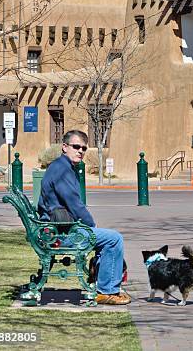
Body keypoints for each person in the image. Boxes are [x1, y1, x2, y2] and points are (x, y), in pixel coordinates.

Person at [37, 130, 131, 305]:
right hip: (60, 235)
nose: (80, 150)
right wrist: (91, 226)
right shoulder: (62, 170)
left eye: (83, 148)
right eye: (76, 146)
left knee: (108, 237)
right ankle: (107, 291)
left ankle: (103, 284)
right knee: (114, 239)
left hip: (55, 230)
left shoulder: (60, 166)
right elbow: (75, 204)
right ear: (64, 147)